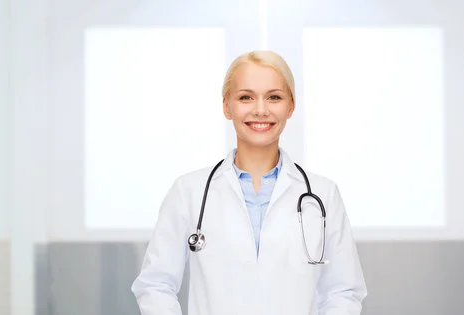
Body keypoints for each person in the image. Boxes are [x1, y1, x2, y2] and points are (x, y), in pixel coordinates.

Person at [132, 50, 367, 315]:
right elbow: (155, 285)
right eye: (246, 97)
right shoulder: (189, 192)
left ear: (290, 106)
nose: (260, 110)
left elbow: (343, 292)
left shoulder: (323, 195)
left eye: (274, 97)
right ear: (226, 106)